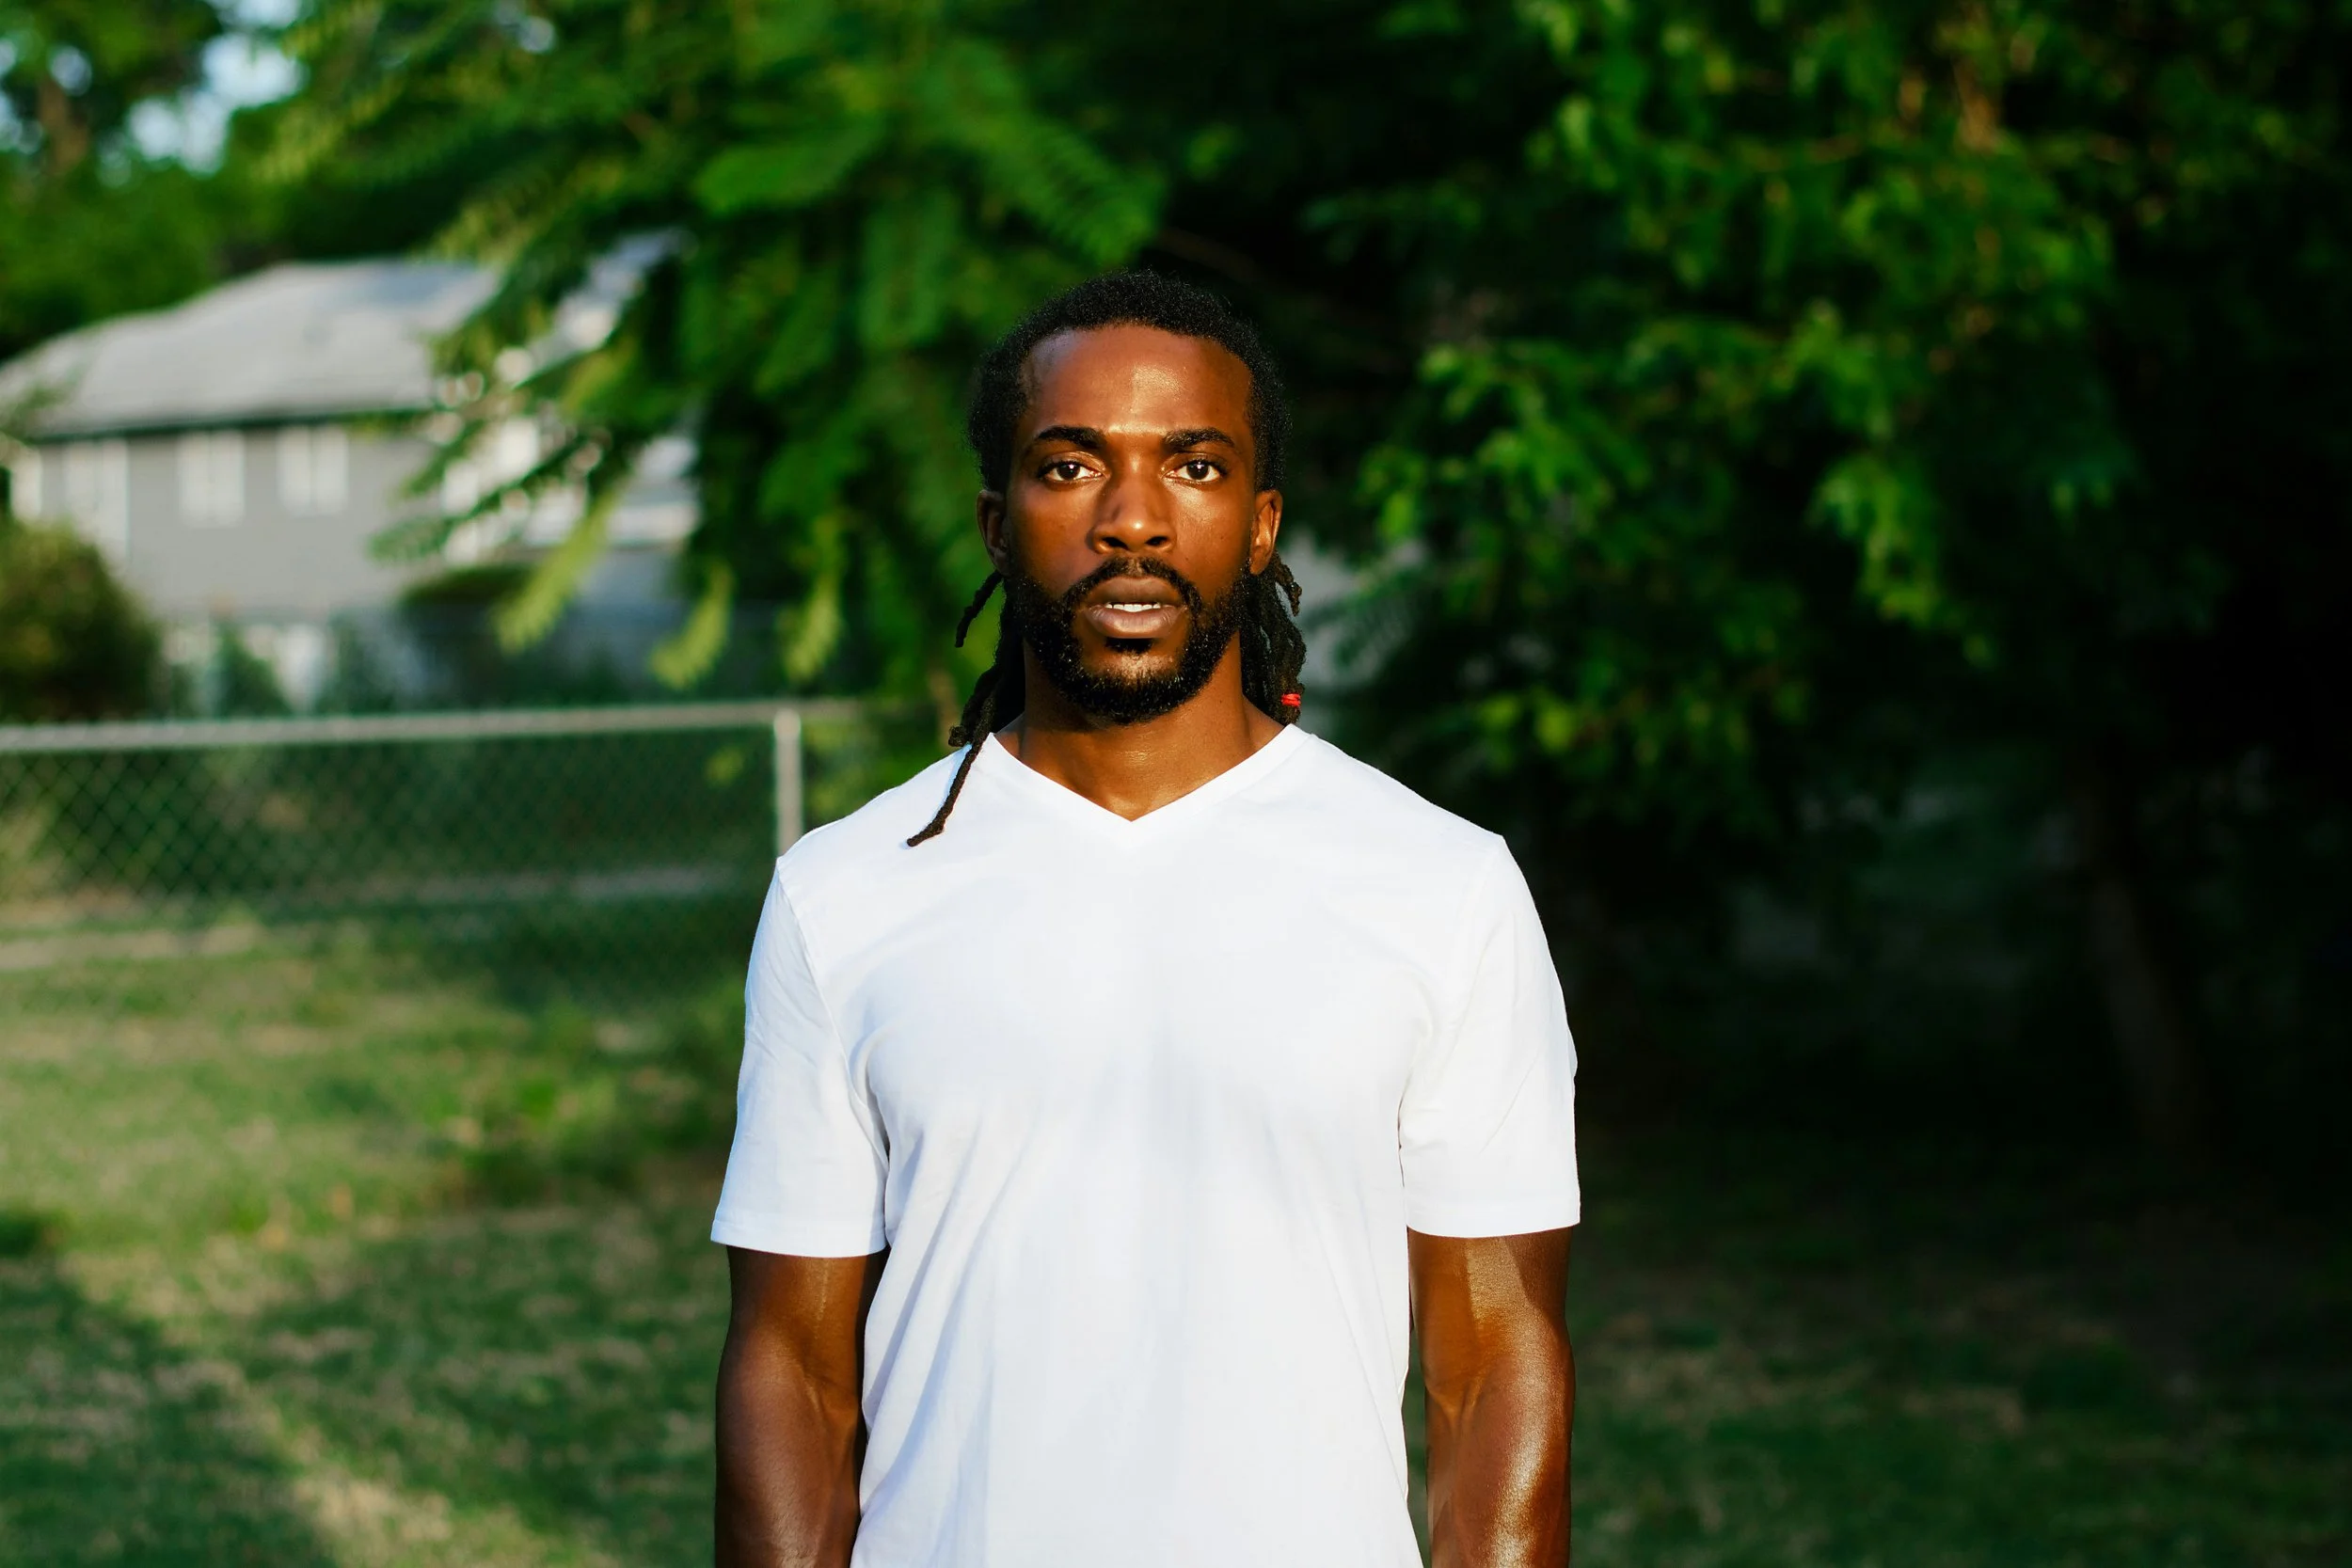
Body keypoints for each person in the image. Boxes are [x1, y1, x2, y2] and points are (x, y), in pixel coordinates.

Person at [712, 273, 1580, 1567]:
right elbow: (792, 1368)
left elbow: (1495, 1368)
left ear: (1262, 522)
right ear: (999, 527)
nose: (1133, 521)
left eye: (1194, 467)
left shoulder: (1440, 887)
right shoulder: (848, 892)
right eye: (1072, 466)